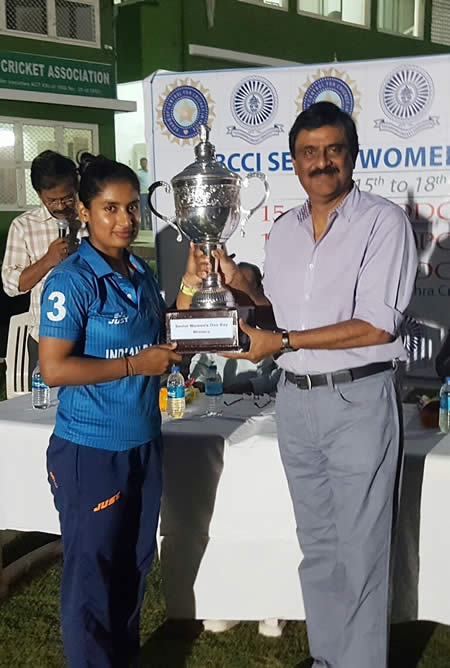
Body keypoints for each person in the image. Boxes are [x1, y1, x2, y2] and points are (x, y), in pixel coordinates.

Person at [186, 102, 418, 667]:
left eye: (333, 150)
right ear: (293, 162)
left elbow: (376, 323)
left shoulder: (382, 223)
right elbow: (274, 313)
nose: (322, 162)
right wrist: (234, 283)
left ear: (353, 154)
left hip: (358, 398)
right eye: (309, 152)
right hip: (297, 401)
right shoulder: (285, 229)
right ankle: (327, 657)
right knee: (318, 548)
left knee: (361, 551)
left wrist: (284, 342)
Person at [38, 154, 202, 668]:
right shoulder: (72, 280)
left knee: (132, 570)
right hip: (92, 451)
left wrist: (194, 286)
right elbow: (56, 368)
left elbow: (164, 338)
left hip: (142, 444)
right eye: (111, 208)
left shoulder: (140, 271)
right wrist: (134, 364)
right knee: (92, 581)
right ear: (84, 212)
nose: (125, 220)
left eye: (132, 208)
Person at [2, 150, 86, 382]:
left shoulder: (90, 219)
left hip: (90, 336)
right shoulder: (23, 227)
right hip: (45, 339)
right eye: (52, 200)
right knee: (45, 410)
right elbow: (12, 286)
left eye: (68, 197)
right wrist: (48, 260)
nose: (60, 206)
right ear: (39, 194)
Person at [189, 262, 281, 395]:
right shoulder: (219, 323)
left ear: (259, 289)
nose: (238, 295)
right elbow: (201, 361)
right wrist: (200, 382)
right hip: (220, 401)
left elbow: (282, 372)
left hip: (262, 403)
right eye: (233, 289)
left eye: (244, 287)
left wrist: (252, 386)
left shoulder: (274, 324)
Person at [136, 156, 151, 231]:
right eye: (142, 163)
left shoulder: (150, 172)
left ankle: (151, 226)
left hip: (150, 193)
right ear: (140, 163)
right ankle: (143, 227)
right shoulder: (138, 173)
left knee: (150, 210)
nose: (144, 164)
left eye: (145, 162)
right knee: (142, 211)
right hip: (142, 194)